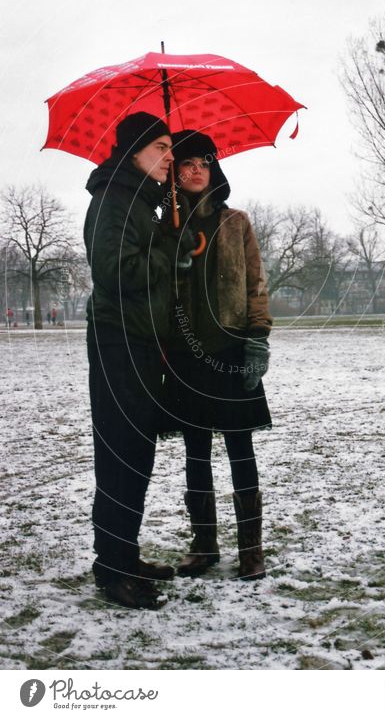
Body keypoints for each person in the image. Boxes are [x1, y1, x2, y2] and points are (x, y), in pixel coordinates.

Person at [84, 111, 194, 609]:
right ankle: (112, 570)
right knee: (121, 453)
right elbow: (114, 271)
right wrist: (168, 251)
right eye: (161, 149)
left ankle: (122, 554)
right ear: (133, 153)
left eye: (171, 149)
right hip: (118, 341)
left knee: (138, 453)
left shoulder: (141, 203)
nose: (171, 158)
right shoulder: (113, 200)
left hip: (142, 342)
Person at [162, 130, 271, 581]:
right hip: (185, 357)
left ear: (214, 170)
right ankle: (204, 543)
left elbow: (255, 284)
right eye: (185, 163)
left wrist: (258, 338)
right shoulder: (165, 228)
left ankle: (251, 549)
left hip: (230, 350)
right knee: (195, 453)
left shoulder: (236, 223)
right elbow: (154, 294)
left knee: (240, 450)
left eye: (203, 163)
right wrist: (174, 266)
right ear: (174, 174)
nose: (195, 170)